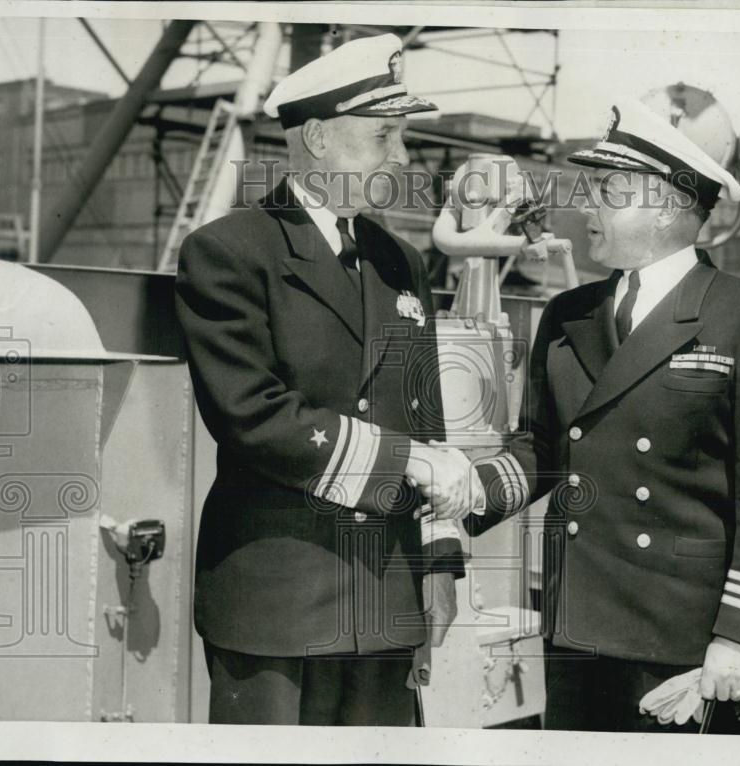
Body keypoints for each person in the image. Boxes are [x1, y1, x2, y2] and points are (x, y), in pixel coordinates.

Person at [465, 96, 740, 732]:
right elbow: (540, 450)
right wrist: (468, 487)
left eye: (608, 189)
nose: (585, 204)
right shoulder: (567, 316)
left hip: (682, 645)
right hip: (575, 626)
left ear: (665, 207)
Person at [175, 33, 481, 726]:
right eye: (385, 136)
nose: (402, 158)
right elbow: (252, 414)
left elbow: (421, 418)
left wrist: (438, 569)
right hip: (277, 604)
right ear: (315, 137)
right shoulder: (230, 254)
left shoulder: (401, 261)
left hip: (385, 601)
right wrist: (411, 462)